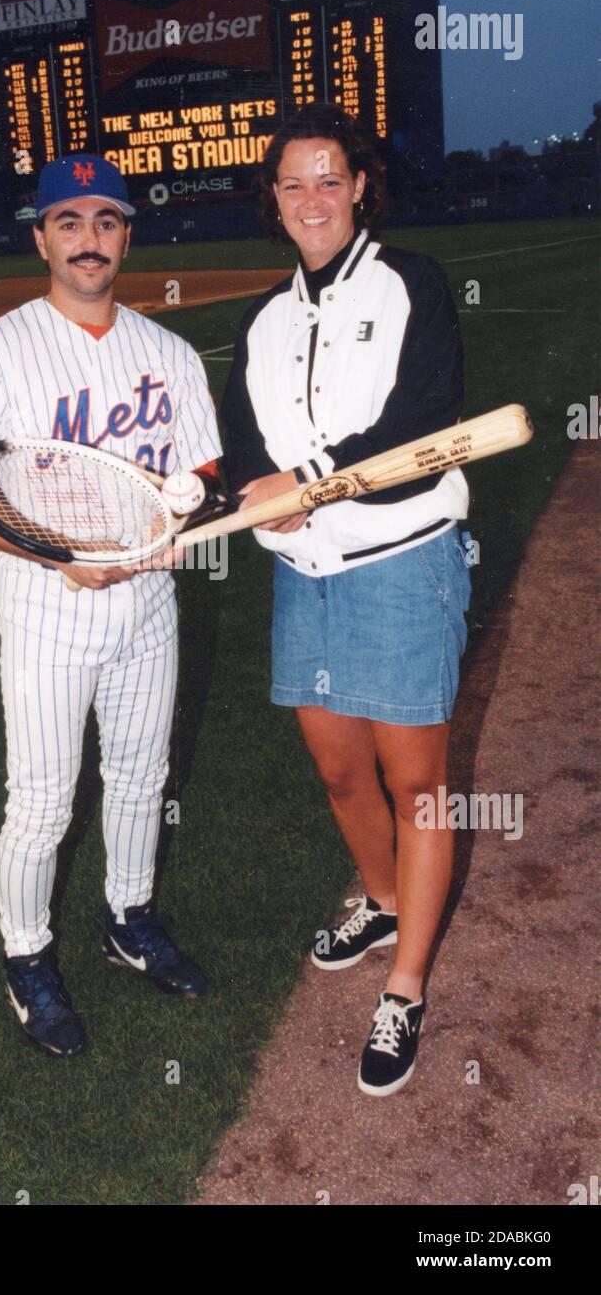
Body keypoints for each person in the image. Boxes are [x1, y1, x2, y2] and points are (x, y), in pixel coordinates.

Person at [0, 154, 222, 1058]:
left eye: (105, 221)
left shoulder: (167, 353)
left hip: (150, 603)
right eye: (69, 222)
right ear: (41, 238)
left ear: (127, 234)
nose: (88, 240)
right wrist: (55, 553)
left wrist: (183, 510)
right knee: (45, 801)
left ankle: (128, 918)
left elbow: (201, 474)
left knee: (141, 778)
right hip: (48, 607)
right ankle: (27, 956)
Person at [220, 102, 472, 1097]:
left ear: (360, 185)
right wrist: (255, 496)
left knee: (416, 780)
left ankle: (404, 984)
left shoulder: (409, 282)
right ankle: (378, 899)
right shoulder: (264, 319)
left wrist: (309, 476)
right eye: (293, 183)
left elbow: (422, 425)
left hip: (401, 559)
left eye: (330, 178)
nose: (312, 198)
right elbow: (245, 439)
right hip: (305, 576)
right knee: (336, 769)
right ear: (273, 200)